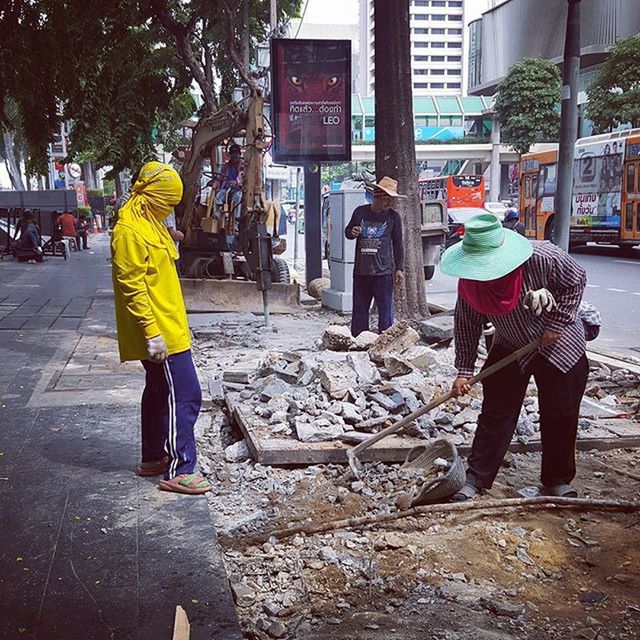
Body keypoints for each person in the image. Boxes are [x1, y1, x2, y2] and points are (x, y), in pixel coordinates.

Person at [441, 214, 589, 501]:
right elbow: (467, 323)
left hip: (560, 344)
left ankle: (556, 480)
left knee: (560, 412)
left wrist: (555, 324)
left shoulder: (543, 257)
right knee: (496, 410)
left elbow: (576, 280)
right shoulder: (471, 281)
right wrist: (463, 370)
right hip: (510, 341)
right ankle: (477, 478)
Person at [110, 161, 211, 495]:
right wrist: (151, 333)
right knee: (186, 394)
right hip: (161, 332)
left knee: (157, 392)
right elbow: (132, 287)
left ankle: (153, 456)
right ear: (152, 196)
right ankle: (180, 468)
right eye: (166, 202)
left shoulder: (149, 223)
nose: (169, 209)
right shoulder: (129, 231)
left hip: (169, 325)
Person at [345, 176, 405, 336]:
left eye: (391, 199)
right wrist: (352, 232)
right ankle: (358, 341)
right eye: (387, 199)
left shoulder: (393, 217)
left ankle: (384, 342)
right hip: (361, 271)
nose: (389, 203)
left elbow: (398, 243)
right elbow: (348, 232)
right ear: (376, 196)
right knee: (359, 311)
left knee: (385, 312)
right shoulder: (360, 212)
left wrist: (399, 268)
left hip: (383, 273)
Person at [213, 143, 243, 214]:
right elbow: (220, 178)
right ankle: (218, 218)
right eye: (232, 156)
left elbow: (244, 180)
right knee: (218, 197)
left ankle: (235, 220)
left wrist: (237, 183)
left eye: (236, 156)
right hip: (226, 189)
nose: (234, 159)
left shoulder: (244, 167)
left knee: (238, 197)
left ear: (239, 155)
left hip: (237, 190)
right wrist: (216, 181)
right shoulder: (226, 166)